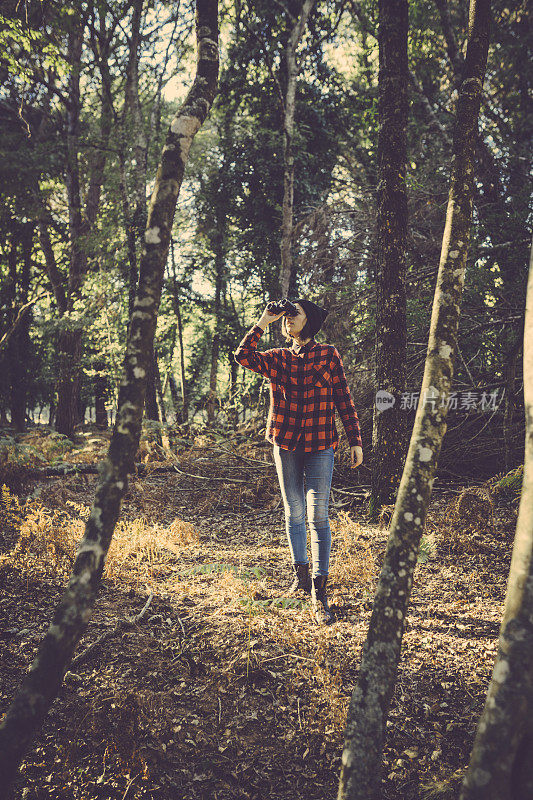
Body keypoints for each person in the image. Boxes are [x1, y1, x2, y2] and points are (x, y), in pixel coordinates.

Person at [233, 299, 363, 624]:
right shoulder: (278, 359)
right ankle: (301, 578)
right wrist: (264, 319)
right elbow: (243, 356)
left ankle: (320, 594)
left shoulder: (329, 354)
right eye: (286, 316)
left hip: (321, 444)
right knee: (294, 512)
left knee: (318, 516)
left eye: (295, 314)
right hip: (286, 445)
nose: (288, 320)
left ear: (310, 321)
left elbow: (344, 398)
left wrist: (355, 440)